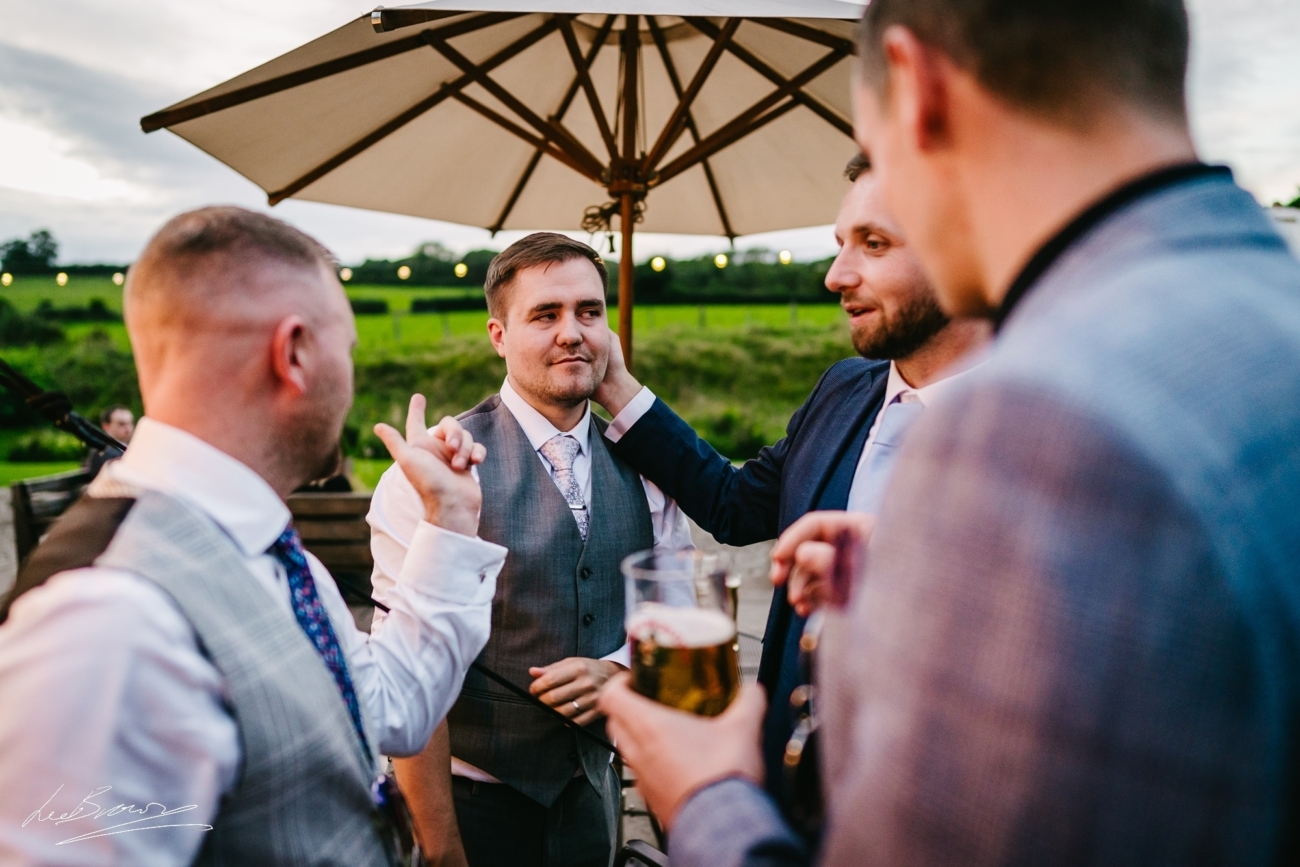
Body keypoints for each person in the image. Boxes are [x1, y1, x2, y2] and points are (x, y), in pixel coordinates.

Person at [599, 0, 1300, 863]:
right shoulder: (1270, 316)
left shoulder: (1035, 422)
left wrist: (706, 796)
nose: (838, 272)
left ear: (921, 87)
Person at [0, 206, 505, 866]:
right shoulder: (105, 618)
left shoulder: (265, 546)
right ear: (294, 353)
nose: (351, 380)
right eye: (346, 349)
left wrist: (450, 518)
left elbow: (391, 706)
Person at [592, 153, 989, 822]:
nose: (837, 275)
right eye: (840, 244)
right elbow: (737, 505)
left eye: (875, 243)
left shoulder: (1051, 437)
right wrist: (618, 389)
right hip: (791, 795)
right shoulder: (843, 389)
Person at [367, 232, 692, 867]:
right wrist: (442, 852)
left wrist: (624, 671)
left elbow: (677, 614)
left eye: (589, 312)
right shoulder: (434, 471)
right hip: (472, 804)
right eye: (545, 315)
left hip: (594, 794)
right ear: (498, 335)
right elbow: (408, 674)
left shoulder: (649, 462)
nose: (572, 332)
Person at [83, 404, 135, 477]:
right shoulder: (103, 451)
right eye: (121, 424)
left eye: (130, 423)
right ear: (106, 426)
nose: (128, 429)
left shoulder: (130, 448)